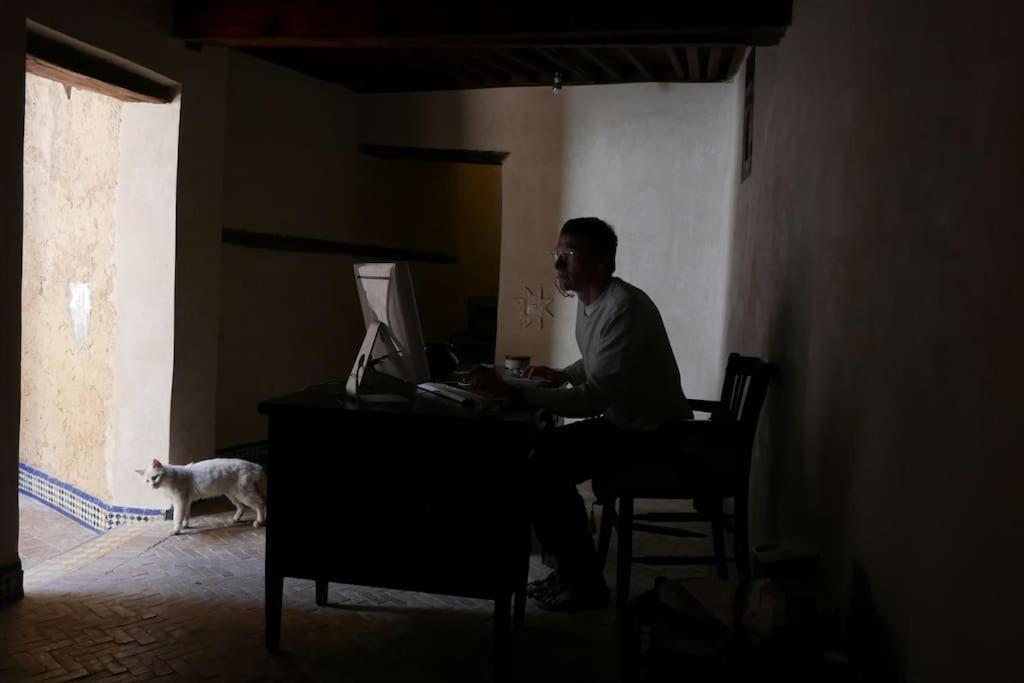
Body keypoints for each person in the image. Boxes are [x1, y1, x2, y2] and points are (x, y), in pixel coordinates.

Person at [471, 217, 693, 611]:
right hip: (627, 425)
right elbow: (599, 360)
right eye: (556, 254)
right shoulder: (595, 301)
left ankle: (585, 584)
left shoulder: (623, 308)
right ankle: (570, 571)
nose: (557, 265)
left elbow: (593, 399)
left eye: (568, 255)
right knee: (538, 455)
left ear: (601, 260)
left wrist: (520, 395)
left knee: (543, 467)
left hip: (652, 435)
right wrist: (563, 375)